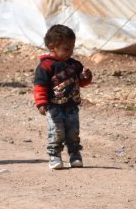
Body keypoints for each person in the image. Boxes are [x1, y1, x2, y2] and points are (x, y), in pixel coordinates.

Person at [33, 24, 93, 170]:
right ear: (52, 47)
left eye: (72, 48)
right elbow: (40, 86)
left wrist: (86, 76)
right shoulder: (46, 66)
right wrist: (41, 103)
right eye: (67, 49)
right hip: (54, 107)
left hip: (72, 106)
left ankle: (75, 155)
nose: (70, 52)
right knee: (56, 131)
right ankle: (55, 155)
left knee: (73, 132)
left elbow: (82, 82)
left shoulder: (74, 65)